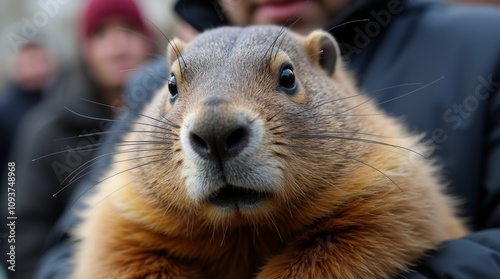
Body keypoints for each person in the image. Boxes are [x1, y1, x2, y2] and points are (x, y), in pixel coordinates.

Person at [37, 0, 500, 278]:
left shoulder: (482, 45)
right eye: (177, 88)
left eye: (285, 78)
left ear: (324, 61)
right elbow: (65, 255)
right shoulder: (152, 88)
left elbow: (405, 208)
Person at [0, 0, 154, 278]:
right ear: (85, 49)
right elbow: (17, 226)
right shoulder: (45, 129)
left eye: (129, 30)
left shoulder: (177, 123)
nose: (117, 45)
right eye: (101, 34)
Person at [0, 34, 59, 167]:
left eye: (39, 59)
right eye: (29, 61)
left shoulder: (62, 100)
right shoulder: (4, 111)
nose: (36, 67)